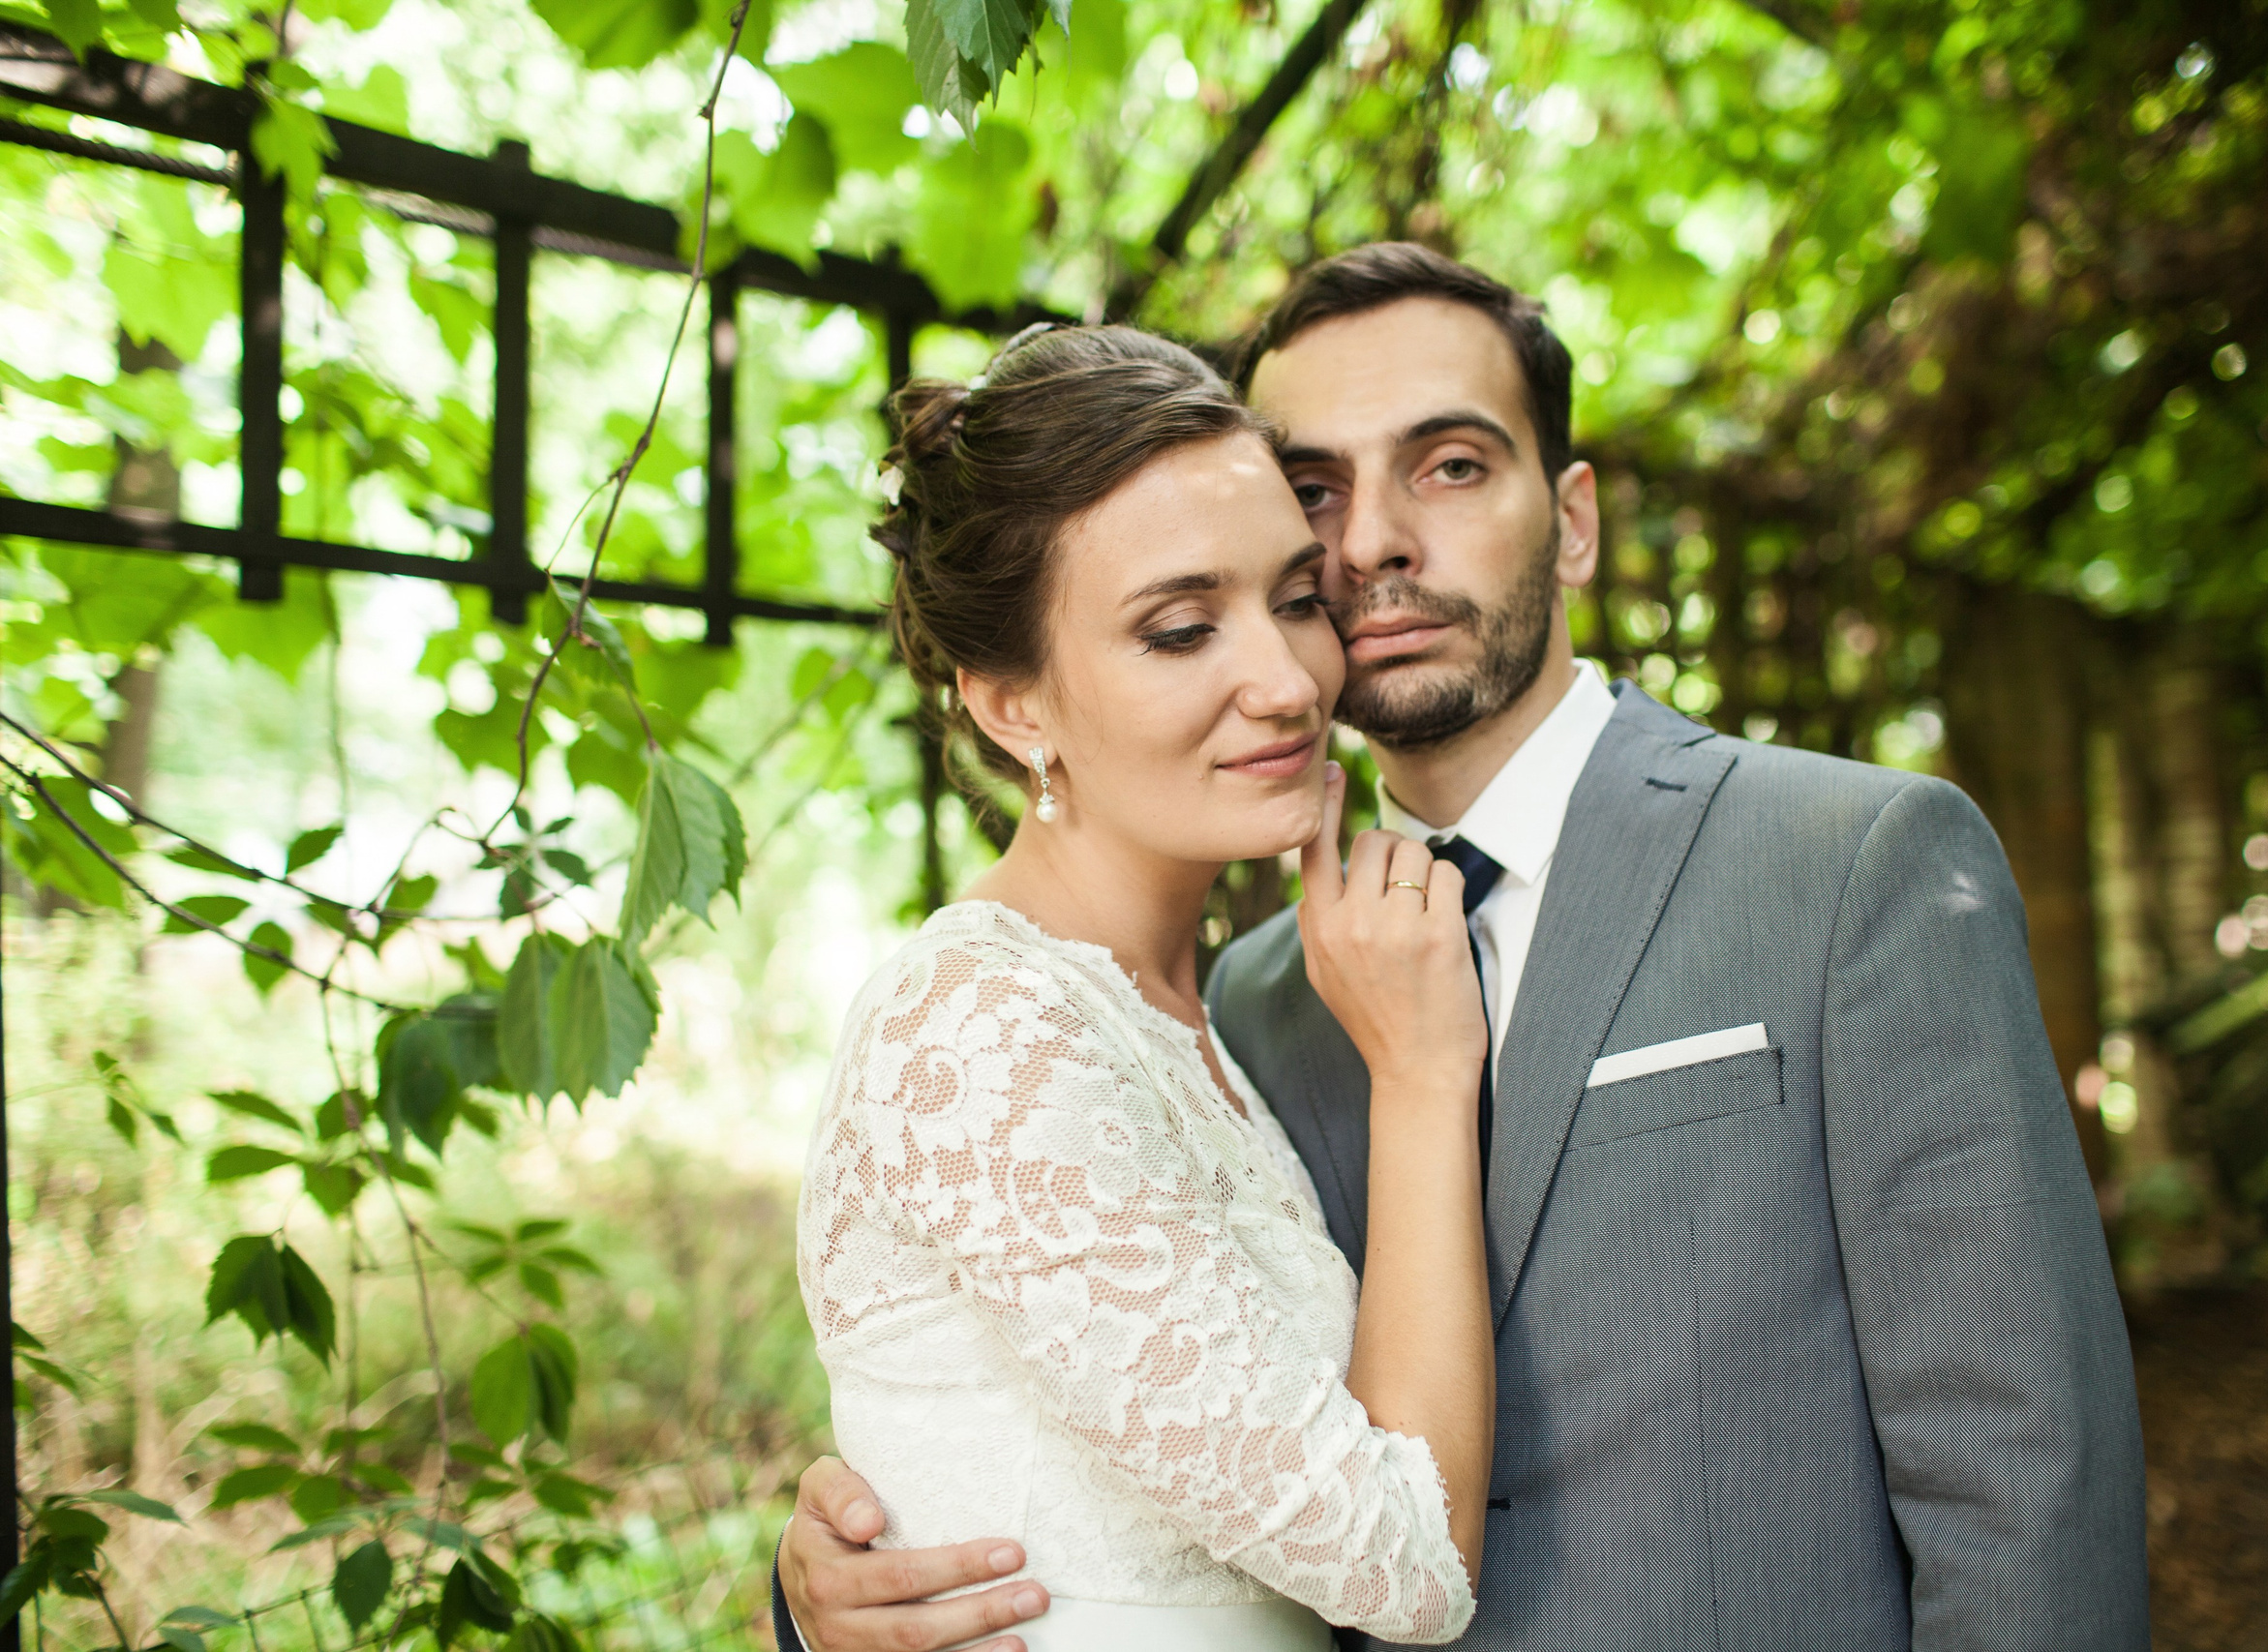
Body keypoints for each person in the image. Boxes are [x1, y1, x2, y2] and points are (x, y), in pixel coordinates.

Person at [776, 247, 2151, 1651]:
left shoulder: (1851, 866)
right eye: (1317, 491)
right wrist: (842, 1573)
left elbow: (2026, 1483)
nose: (1367, 542)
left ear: (1570, 522)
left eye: (1447, 465)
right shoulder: (1239, 1007)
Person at [786, 322, 1499, 1652]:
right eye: (1180, 629)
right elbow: (1406, 1570)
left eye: (1296, 600)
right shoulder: (979, 1030)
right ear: (1012, 705)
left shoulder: (1208, 1012)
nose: (1289, 683)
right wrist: (1421, 1074)